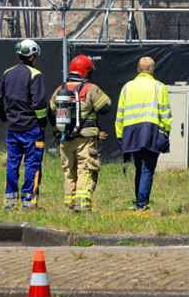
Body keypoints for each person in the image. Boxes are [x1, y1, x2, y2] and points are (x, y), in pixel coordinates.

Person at [48, 55, 112, 213]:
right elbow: (105, 107)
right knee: (85, 169)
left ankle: (70, 207)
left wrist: (57, 135)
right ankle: (82, 207)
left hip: (65, 139)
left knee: (69, 172)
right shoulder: (90, 88)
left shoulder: (59, 90)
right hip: (85, 139)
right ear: (86, 71)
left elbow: (51, 114)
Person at [0, 39, 48, 211]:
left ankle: (9, 204)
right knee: (32, 165)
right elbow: (39, 104)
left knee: (12, 165)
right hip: (32, 129)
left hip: (13, 129)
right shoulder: (35, 75)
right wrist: (42, 124)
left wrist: (4, 119)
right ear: (32, 55)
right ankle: (29, 205)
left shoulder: (7, 73)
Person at [115, 56, 171, 214]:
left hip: (131, 132)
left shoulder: (127, 87)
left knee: (139, 169)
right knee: (147, 170)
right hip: (151, 131)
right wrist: (166, 131)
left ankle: (140, 202)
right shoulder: (158, 86)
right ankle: (142, 206)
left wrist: (121, 136)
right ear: (152, 70)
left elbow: (120, 114)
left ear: (138, 69)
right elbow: (165, 113)